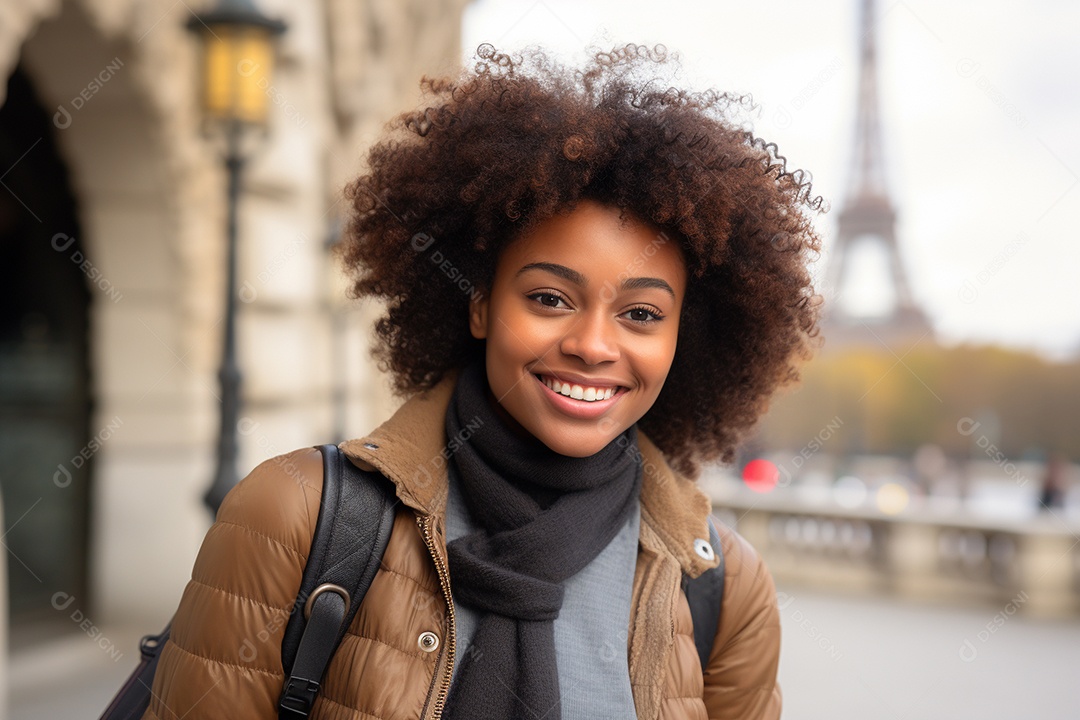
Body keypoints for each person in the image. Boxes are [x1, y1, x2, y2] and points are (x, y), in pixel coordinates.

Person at [142, 43, 823, 720]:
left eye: (641, 314)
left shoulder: (722, 590)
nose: (591, 345)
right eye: (550, 298)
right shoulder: (294, 517)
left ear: (683, 340)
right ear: (479, 304)